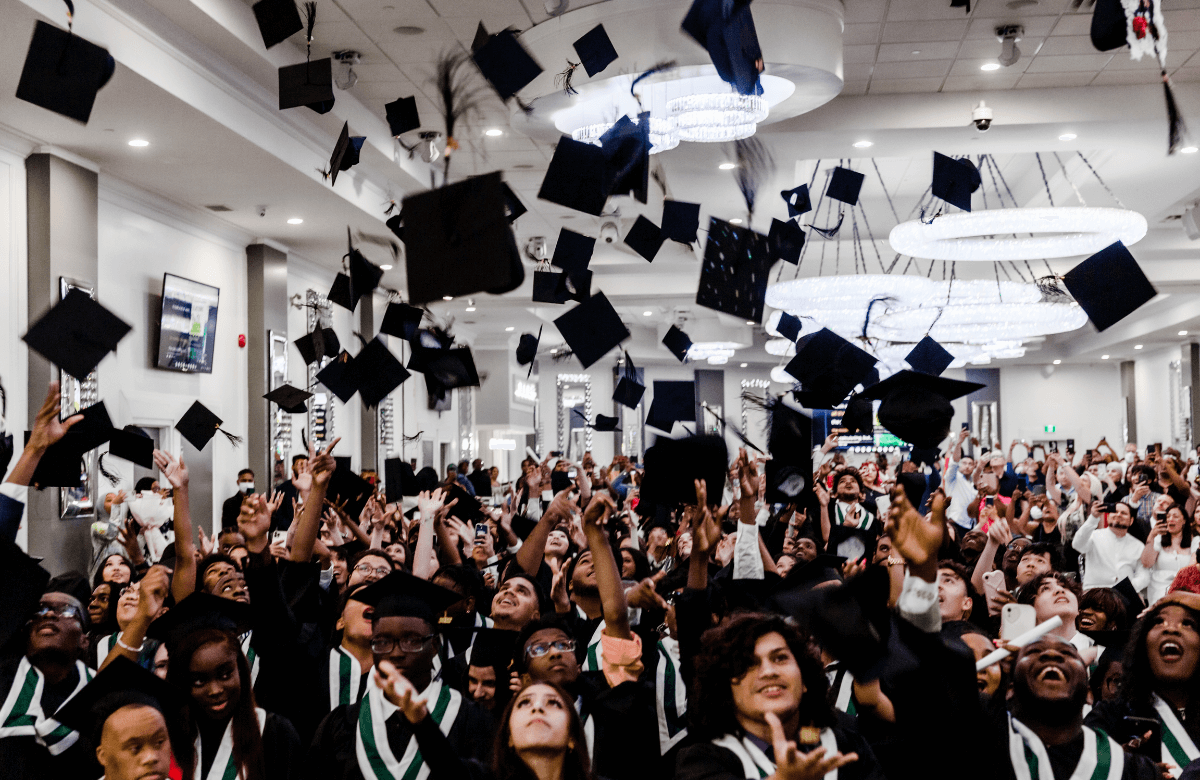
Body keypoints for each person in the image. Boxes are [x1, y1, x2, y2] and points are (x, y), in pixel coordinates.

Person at [306, 570, 496, 779]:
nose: (396, 652)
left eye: (411, 640)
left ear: (434, 646)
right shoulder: (341, 725)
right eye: (383, 642)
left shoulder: (470, 719)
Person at [676, 611, 884, 780]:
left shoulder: (846, 745)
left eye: (780, 658)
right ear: (725, 688)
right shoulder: (702, 760)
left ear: (804, 680)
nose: (768, 671)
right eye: (748, 663)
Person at [1072, 501, 1143, 590]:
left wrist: (1131, 589)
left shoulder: (1138, 546)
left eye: (1123, 513)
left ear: (1131, 521)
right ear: (1108, 517)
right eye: (1115, 511)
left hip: (1125, 595)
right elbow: (1077, 544)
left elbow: (1143, 574)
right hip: (1094, 592)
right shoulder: (1094, 536)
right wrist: (1093, 518)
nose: (1119, 515)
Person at [1140, 501, 1199, 605]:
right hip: (1159, 588)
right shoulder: (1158, 539)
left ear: (1184, 520)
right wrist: (1151, 537)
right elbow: (1146, 563)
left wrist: (1176, 588)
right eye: (1168, 517)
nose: (1170, 519)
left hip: (1183, 587)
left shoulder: (1195, 541)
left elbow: (1191, 568)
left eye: (1175, 516)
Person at [945, 428, 978, 531]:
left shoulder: (973, 484)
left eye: (970, 464)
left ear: (973, 467)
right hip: (955, 524)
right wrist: (959, 442)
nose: (967, 466)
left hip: (970, 525)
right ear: (959, 465)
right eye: (964, 463)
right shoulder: (953, 477)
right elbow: (954, 460)